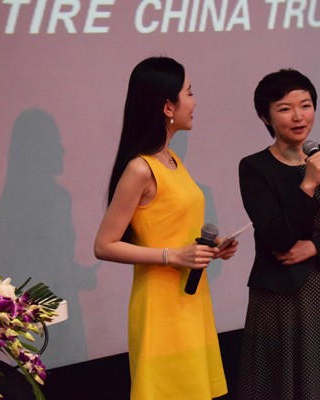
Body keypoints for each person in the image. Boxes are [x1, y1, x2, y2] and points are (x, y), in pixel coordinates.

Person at [93, 56, 237, 400]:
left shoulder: (173, 161)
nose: (195, 101)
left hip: (191, 301)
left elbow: (174, 226)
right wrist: (173, 256)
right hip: (161, 308)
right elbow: (104, 245)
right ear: (168, 106)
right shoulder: (140, 169)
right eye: (190, 92)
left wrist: (212, 245)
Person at [236, 69, 320, 400]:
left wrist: (314, 247)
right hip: (280, 297)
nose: (298, 116)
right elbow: (277, 237)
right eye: (285, 108)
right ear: (265, 116)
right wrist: (308, 183)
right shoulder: (254, 168)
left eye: (305, 105)